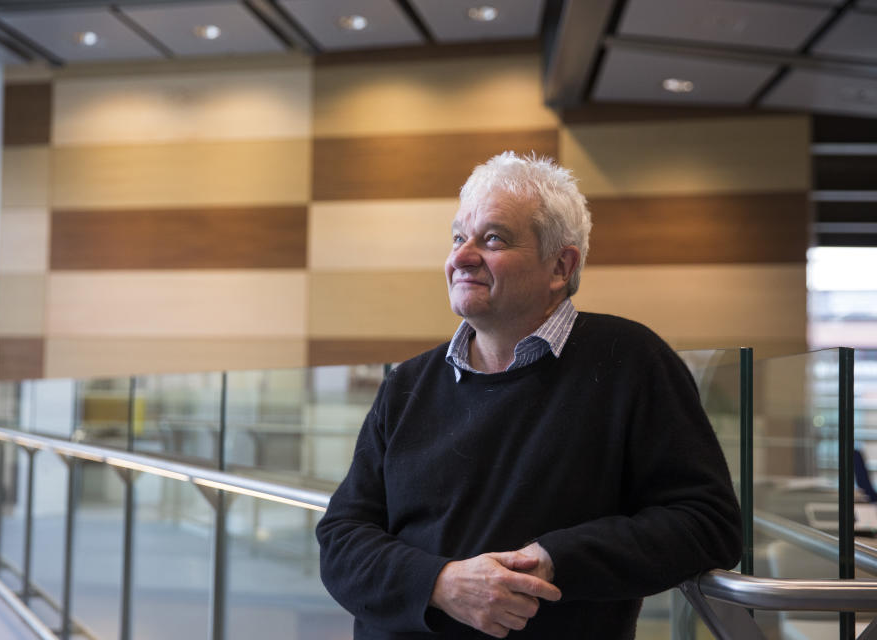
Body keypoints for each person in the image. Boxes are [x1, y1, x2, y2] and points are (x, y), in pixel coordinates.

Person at [316, 152, 742, 639]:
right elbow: (342, 539)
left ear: (560, 266)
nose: (461, 256)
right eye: (458, 237)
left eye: (492, 238)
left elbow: (707, 525)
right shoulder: (408, 384)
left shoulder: (631, 361)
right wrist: (439, 583)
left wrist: (556, 560)